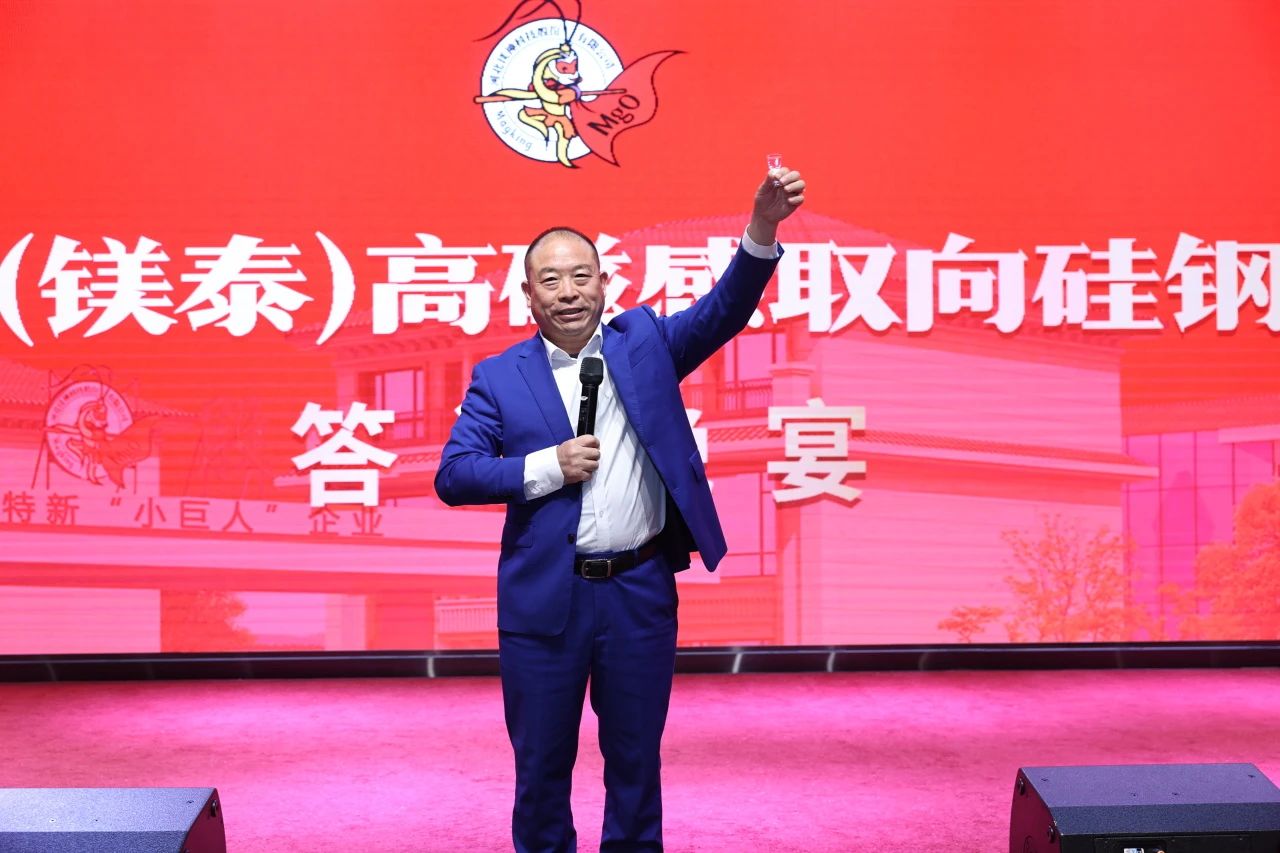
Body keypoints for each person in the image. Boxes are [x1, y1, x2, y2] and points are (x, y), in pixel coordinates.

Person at [435, 164, 806, 852]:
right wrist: (548, 466)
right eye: (551, 280)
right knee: (541, 769)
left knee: (636, 763)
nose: (569, 291)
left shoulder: (647, 346)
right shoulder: (499, 377)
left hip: (638, 591)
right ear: (528, 295)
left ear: (605, 284)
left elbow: (726, 308)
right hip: (544, 600)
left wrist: (762, 227)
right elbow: (454, 475)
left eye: (582, 276)